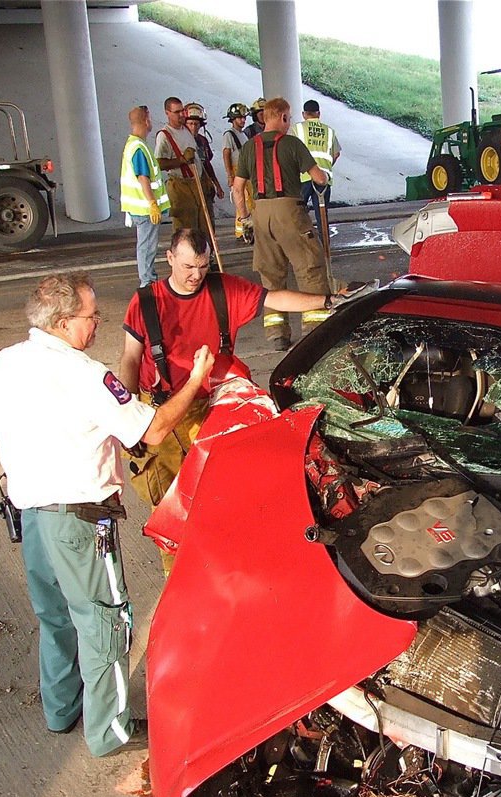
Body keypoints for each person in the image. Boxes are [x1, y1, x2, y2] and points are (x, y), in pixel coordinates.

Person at [0, 272, 214, 757]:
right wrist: (194, 381)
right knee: (105, 620)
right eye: (92, 316)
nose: (97, 324)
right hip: (82, 520)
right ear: (65, 323)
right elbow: (150, 432)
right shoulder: (85, 375)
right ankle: (111, 730)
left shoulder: (6, 363)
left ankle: (61, 709)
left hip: (33, 514)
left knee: (56, 617)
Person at [118, 229, 329, 541]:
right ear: (170, 258)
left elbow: (275, 298)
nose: (196, 275)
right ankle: (178, 580)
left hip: (210, 411)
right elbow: (130, 360)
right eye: (188, 267)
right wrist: (128, 416)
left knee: (221, 501)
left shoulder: (222, 290)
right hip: (161, 414)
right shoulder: (147, 302)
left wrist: (328, 301)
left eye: (203, 267)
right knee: (171, 516)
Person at [232, 97, 338, 351]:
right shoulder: (291, 144)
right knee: (310, 268)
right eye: (288, 118)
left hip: (260, 214)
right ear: (281, 117)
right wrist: (322, 178)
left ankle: (277, 335)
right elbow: (319, 177)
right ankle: (315, 331)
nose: (288, 123)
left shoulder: (249, 147)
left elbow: (237, 189)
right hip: (289, 212)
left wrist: (244, 218)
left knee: (270, 275)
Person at [119, 105, 170, 288]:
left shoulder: (133, 144)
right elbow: (143, 178)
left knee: (145, 246)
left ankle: (148, 279)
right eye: (150, 118)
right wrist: (152, 203)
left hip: (140, 208)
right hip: (145, 209)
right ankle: (147, 282)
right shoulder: (139, 147)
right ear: (146, 121)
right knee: (147, 246)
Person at [292, 99, 341, 232]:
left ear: (304, 114)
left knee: (297, 213)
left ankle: (300, 244)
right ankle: (324, 246)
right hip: (324, 178)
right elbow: (336, 154)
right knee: (322, 215)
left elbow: (290, 152)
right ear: (318, 114)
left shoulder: (297, 129)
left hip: (304, 177)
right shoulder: (329, 131)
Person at [154, 96, 201, 236]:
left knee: (199, 225)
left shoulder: (186, 130)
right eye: (176, 112)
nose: (181, 115)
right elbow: (159, 163)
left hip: (195, 183)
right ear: (167, 113)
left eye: (182, 111)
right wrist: (181, 160)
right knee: (184, 229)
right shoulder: (164, 135)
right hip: (180, 186)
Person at [184, 102, 225, 222]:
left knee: (208, 219)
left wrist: (217, 185)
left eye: (197, 124)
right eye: (190, 124)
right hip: (187, 186)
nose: (194, 127)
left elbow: (207, 164)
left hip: (203, 183)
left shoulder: (202, 141)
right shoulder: (179, 141)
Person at [222, 102, 250, 193]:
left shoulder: (243, 135)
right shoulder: (229, 134)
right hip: (237, 172)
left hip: (246, 171)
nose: (243, 120)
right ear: (233, 119)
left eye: (244, 118)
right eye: (240, 118)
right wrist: (230, 175)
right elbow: (226, 155)